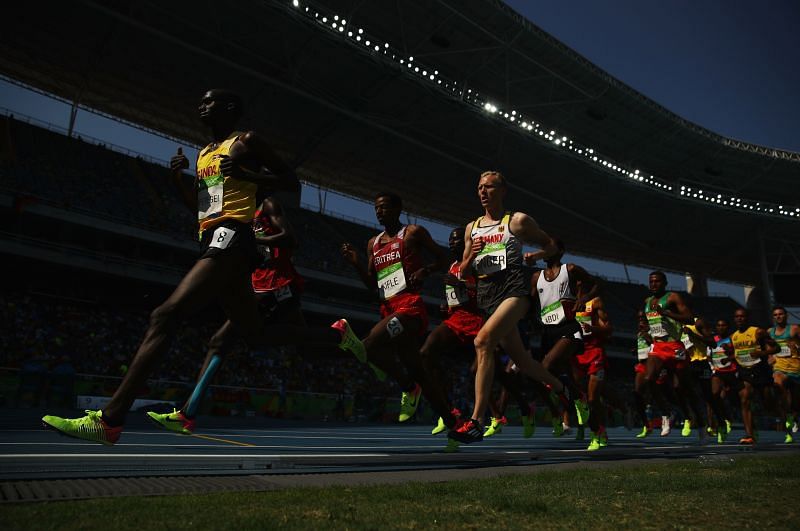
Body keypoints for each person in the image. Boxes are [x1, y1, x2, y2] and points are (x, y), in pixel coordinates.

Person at [42, 89, 362, 444]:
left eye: (209, 101)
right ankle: (337, 334)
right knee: (256, 335)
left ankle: (110, 420)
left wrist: (247, 174)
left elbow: (291, 183)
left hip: (233, 236)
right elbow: (202, 206)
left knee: (166, 316)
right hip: (213, 237)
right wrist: (178, 180)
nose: (201, 105)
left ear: (228, 108)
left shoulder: (246, 141)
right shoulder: (204, 154)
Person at [448, 171, 566, 444]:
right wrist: (474, 254)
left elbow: (551, 245)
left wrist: (535, 255)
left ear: (503, 191)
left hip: (515, 293)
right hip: (488, 298)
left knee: (482, 342)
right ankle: (564, 389)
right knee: (524, 363)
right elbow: (464, 271)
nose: (482, 192)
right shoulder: (471, 228)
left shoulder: (517, 221)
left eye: (489, 187)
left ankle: (477, 420)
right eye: (479, 187)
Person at [341, 192, 449, 422]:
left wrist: (426, 270)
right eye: (376, 208)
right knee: (419, 371)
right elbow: (373, 285)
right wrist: (357, 263)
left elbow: (443, 259)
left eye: (384, 207)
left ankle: (408, 387)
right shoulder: (373, 244)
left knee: (367, 345)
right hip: (388, 309)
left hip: (409, 308)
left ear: (398, 209)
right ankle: (454, 422)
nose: (379, 211)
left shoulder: (413, 233)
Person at [530, 239, 598, 437]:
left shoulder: (571, 269)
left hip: (568, 329)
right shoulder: (536, 277)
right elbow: (530, 302)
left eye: (549, 248)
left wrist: (584, 298)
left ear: (560, 251)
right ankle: (591, 425)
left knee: (546, 368)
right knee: (540, 377)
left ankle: (577, 401)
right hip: (547, 334)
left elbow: (596, 285)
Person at [642, 271, 706, 441]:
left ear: (665, 283)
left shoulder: (672, 298)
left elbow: (690, 318)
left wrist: (668, 313)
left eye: (657, 281)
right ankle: (667, 413)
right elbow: (654, 325)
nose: (654, 284)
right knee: (648, 379)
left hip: (675, 346)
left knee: (682, 388)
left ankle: (700, 422)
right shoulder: (647, 302)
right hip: (658, 346)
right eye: (651, 281)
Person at [731, 307, 779, 444]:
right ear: (734, 319)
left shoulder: (758, 332)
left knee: (767, 401)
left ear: (747, 318)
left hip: (761, 370)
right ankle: (749, 434)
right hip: (745, 371)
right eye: (737, 317)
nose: (739, 319)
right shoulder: (733, 336)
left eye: (742, 316)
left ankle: (780, 413)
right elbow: (737, 353)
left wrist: (762, 354)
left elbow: (777, 348)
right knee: (744, 399)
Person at [572, 294, 611, 451]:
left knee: (593, 398)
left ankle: (599, 432)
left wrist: (592, 329)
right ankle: (594, 429)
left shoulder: (595, 302)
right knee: (580, 399)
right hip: (576, 354)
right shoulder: (568, 301)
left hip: (595, 352)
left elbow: (609, 329)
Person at [768, 306, 800, 443]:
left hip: (796, 369)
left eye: (781, 314)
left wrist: (796, 346)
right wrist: (769, 356)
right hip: (779, 368)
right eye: (775, 315)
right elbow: (768, 348)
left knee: (796, 402)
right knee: (778, 384)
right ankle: (788, 428)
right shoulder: (770, 332)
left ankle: (793, 417)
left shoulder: (794, 329)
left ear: (786, 316)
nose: (778, 316)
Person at [709, 318, 736, 443]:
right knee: (714, 396)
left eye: (723, 325)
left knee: (725, 398)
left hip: (731, 372)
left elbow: (739, 354)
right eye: (719, 325)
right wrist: (712, 366)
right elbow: (709, 356)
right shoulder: (713, 340)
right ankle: (721, 424)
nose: (721, 327)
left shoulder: (732, 339)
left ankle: (727, 419)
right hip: (718, 372)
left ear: (727, 327)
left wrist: (729, 352)